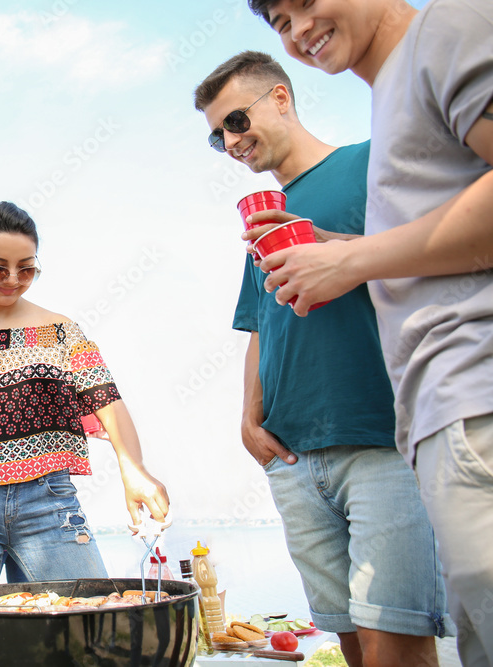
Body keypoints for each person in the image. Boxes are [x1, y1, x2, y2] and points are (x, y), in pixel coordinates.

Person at [246, 1, 493, 663]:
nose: (297, 28)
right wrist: (340, 248)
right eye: (277, 19)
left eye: (304, 3)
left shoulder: (452, 27)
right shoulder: (393, 100)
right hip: (438, 419)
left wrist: (350, 260)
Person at [193, 51, 450, 667]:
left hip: (380, 440)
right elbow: (259, 324)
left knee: (398, 643)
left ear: (280, 98)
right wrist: (248, 419)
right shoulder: (263, 224)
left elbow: (440, 253)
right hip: (292, 457)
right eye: (215, 136)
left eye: (234, 119)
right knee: (353, 646)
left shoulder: (369, 164)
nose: (230, 141)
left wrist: (331, 247)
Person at [0, 201, 169, 666]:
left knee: (92, 637)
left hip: (46, 501)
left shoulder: (60, 331)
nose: (11, 279)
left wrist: (136, 472)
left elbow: (107, 402)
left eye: (26, 269)